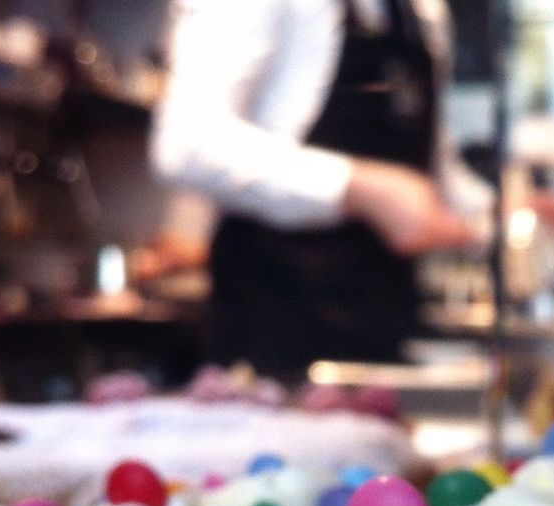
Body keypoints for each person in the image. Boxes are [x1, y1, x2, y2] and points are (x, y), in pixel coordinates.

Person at [152, 0, 490, 378]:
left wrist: (496, 210)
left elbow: (432, 170)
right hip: (276, 331)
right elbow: (185, 144)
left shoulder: (425, 12)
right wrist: (355, 187)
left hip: (385, 328)